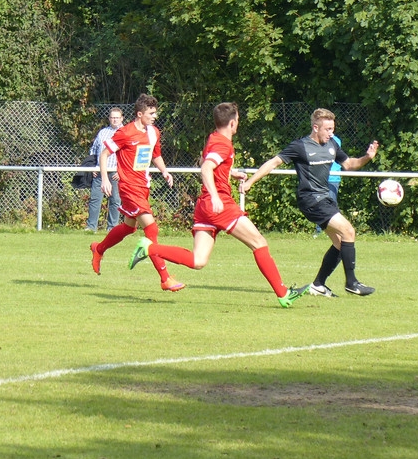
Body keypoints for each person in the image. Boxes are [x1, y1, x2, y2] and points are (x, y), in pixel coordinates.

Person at [131, 102, 307, 308]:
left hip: (204, 205)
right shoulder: (223, 144)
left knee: (198, 261)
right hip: (219, 204)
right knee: (258, 242)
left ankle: (150, 248)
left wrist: (231, 172)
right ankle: (283, 294)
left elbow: (208, 162)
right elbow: (206, 167)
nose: (238, 123)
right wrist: (215, 196)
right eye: (238, 120)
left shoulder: (213, 138)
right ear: (232, 123)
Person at [241, 108, 379, 298]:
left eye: (332, 129)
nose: (331, 133)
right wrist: (250, 182)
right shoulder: (300, 146)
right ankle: (352, 283)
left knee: (340, 243)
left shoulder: (332, 144)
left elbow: (349, 164)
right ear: (315, 127)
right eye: (327, 129)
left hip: (325, 198)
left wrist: (367, 157)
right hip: (311, 200)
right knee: (348, 231)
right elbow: (273, 163)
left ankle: (318, 285)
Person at [89, 94, 186, 292]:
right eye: (151, 113)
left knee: (129, 228)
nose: (154, 116)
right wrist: (105, 179)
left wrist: (165, 171)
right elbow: (104, 154)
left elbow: (156, 155)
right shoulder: (125, 133)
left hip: (143, 187)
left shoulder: (154, 132)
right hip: (129, 188)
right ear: (140, 114)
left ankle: (99, 248)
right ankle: (165, 278)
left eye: (155, 113)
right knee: (151, 229)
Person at [86, 108, 124, 232]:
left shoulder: (125, 132)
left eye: (117, 117)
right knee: (95, 199)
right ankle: (91, 227)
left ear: (121, 118)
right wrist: (93, 167)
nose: (115, 120)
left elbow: (128, 155)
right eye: (112, 117)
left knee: (115, 200)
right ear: (109, 118)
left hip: (115, 173)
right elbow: (94, 150)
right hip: (99, 172)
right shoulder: (102, 133)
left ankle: (112, 228)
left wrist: (121, 171)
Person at [314, 131, 341, 237]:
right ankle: (320, 231)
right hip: (319, 178)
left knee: (330, 205)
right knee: (319, 203)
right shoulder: (316, 140)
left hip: (332, 178)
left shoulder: (336, 141)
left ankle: (332, 230)